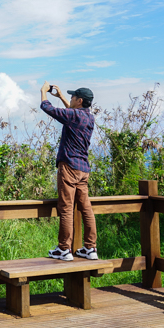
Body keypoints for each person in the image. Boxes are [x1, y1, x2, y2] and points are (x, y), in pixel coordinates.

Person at [40, 82, 98, 261]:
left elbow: (47, 108)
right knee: (86, 208)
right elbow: (72, 113)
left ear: (79, 101)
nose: (71, 99)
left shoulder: (74, 116)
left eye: (73, 97)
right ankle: (90, 248)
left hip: (69, 168)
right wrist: (62, 98)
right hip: (83, 170)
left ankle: (64, 249)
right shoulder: (89, 118)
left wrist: (44, 93)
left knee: (66, 208)